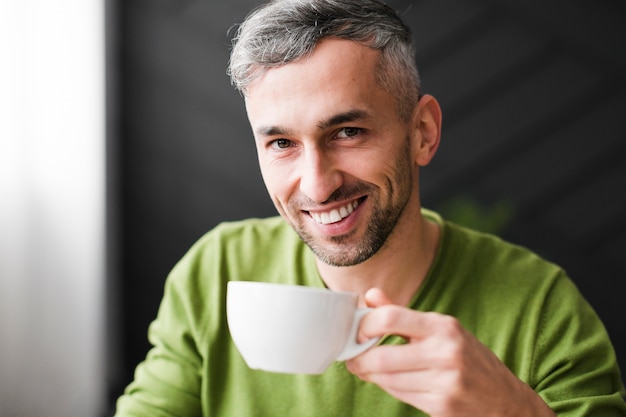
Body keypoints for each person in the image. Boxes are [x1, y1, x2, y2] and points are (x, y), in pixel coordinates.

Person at [114, 0, 626, 415]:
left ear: (422, 133)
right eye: (281, 144)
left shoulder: (541, 311)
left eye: (348, 132)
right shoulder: (216, 270)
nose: (316, 186)